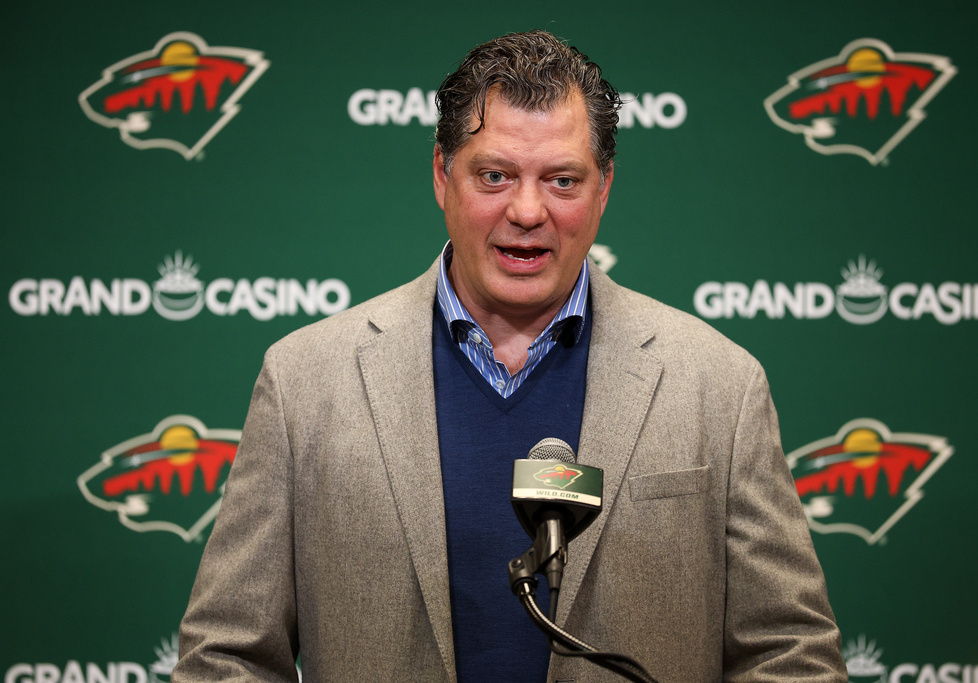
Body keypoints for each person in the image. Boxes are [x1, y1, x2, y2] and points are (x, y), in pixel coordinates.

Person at [173, 30, 846, 682]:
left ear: (605, 187)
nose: (527, 210)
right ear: (442, 175)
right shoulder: (304, 381)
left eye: (562, 180)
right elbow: (226, 656)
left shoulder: (718, 384)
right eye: (494, 175)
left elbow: (789, 652)